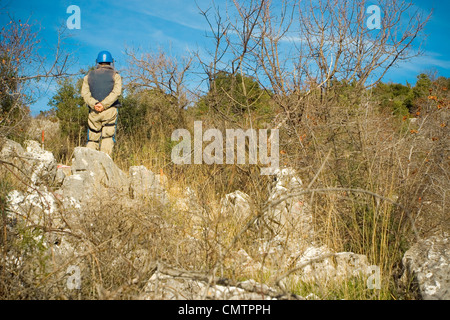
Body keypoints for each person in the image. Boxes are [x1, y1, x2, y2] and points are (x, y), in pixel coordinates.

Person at [81, 50, 122, 156]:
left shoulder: (88, 76)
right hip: (109, 110)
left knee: (93, 139)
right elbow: (116, 92)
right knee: (107, 137)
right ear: (111, 62)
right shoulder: (115, 75)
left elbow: (84, 93)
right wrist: (103, 105)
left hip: (94, 112)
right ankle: (104, 164)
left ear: (97, 62)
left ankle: (89, 164)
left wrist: (95, 104)